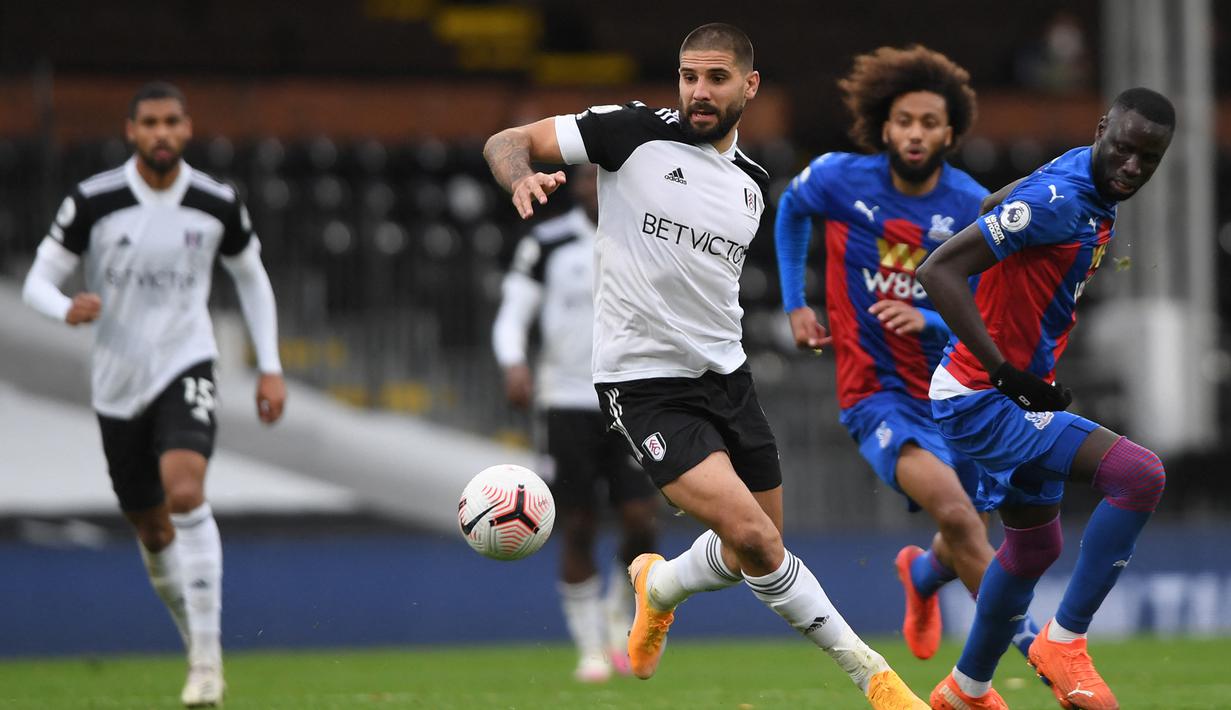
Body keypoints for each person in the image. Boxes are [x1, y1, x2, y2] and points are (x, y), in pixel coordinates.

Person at [484, 22, 927, 709]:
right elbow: (507, 140)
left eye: (716, 78)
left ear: (749, 87)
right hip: (642, 384)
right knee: (754, 538)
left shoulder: (751, 183)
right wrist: (522, 177)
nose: (698, 91)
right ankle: (873, 676)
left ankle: (658, 586)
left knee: (758, 545)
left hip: (727, 377)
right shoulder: (629, 132)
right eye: (689, 76)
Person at [21, 82, 286, 708]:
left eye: (171, 122)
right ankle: (194, 641)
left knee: (185, 491)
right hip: (117, 382)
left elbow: (252, 278)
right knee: (151, 526)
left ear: (187, 129)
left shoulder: (217, 201)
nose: (161, 133)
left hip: (185, 360)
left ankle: (207, 662)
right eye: (150, 123)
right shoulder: (94, 200)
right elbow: (37, 281)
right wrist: (64, 307)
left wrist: (271, 366)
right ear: (131, 130)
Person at [774, 44, 1038, 662]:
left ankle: (921, 576)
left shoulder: (973, 206)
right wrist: (795, 302)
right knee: (960, 517)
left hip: (955, 395)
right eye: (904, 121)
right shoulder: (839, 178)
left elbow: (991, 318)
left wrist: (929, 319)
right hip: (877, 395)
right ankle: (1036, 652)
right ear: (884, 127)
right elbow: (791, 208)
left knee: (964, 523)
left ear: (950, 132)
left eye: (929, 123)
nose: (915, 133)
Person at [917, 87, 1174, 709]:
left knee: (1035, 547)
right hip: (983, 396)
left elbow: (993, 205)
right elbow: (937, 270)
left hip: (1008, 395)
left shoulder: (1082, 179)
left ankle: (966, 691)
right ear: (1102, 128)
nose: (1132, 167)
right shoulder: (1059, 199)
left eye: (1148, 158)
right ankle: (1064, 642)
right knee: (1139, 476)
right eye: (1124, 149)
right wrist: (1005, 371)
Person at [491, 163, 660, 683]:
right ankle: (590, 649)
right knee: (579, 524)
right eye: (587, 177)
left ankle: (616, 613)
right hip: (566, 400)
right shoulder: (547, 242)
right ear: (577, 185)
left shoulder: (649, 237)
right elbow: (513, 312)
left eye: (604, 177)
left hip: (631, 398)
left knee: (641, 520)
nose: (595, 186)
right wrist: (513, 362)